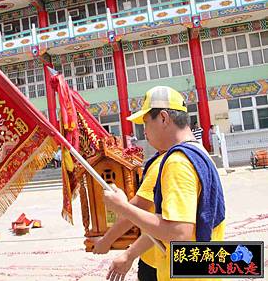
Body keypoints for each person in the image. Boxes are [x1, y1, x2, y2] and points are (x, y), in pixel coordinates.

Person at [103, 86, 226, 281]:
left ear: (163, 118)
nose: (144, 132)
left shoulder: (178, 162)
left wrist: (123, 207)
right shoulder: (199, 154)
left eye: (145, 123)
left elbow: (179, 234)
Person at [93, 150, 165, 280]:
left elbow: (174, 228)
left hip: (160, 259)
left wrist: (108, 241)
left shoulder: (168, 163)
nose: (145, 132)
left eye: (147, 127)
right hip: (159, 252)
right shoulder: (194, 154)